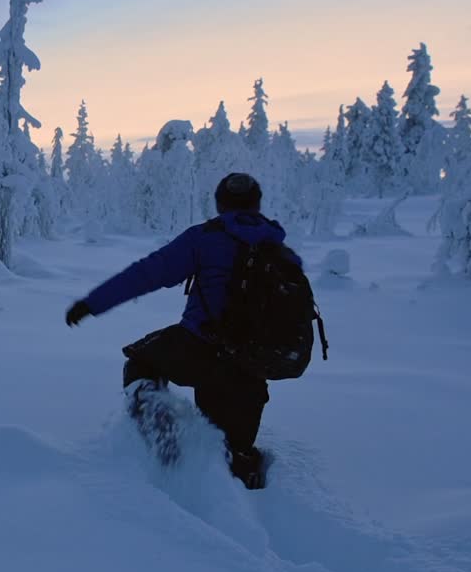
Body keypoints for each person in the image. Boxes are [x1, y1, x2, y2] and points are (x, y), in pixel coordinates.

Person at [64, 173, 300, 489]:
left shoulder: (204, 238)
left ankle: (166, 443)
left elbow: (147, 273)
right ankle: (250, 507)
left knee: (140, 361)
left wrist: (92, 303)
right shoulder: (282, 252)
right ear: (257, 204)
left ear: (219, 204)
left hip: (196, 349)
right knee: (234, 455)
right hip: (251, 370)